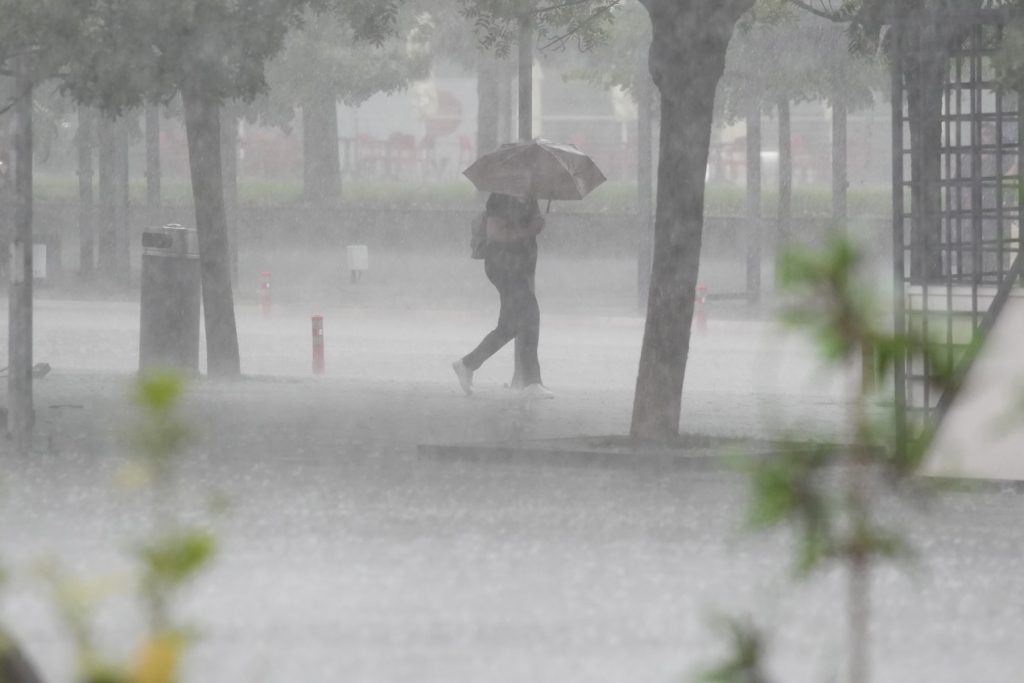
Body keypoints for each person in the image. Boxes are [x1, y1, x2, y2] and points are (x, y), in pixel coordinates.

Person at [453, 192, 553, 399]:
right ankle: (532, 381)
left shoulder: (529, 197)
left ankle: (467, 364)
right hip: (503, 265)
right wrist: (529, 230)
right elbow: (495, 234)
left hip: (518, 266)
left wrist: (535, 226)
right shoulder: (501, 197)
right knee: (530, 315)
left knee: (509, 326)